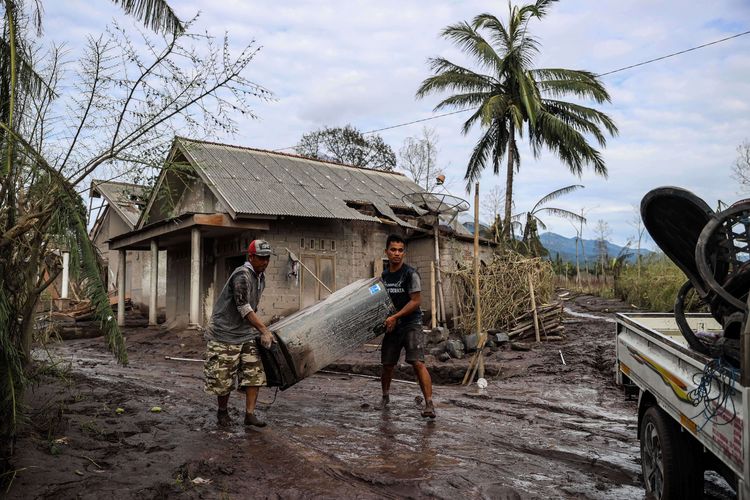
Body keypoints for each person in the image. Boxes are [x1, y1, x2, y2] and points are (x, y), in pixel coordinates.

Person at [203, 239, 276, 427]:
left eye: (267, 258)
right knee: (223, 378)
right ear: (251, 257)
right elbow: (243, 307)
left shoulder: (260, 277)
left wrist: (258, 329)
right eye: (261, 258)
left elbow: (252, 307)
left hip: (245, 333)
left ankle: (249, 414)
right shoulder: (242, 276)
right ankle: (222, 412)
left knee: (255, 373)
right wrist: (264, 330)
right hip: (224, 333)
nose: (265, 262)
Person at [380, 234, 436, 418]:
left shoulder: (411, 274)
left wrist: (395, 316)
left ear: (404, 253)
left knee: (417, 362)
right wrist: (387, 320)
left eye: (400, 250)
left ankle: (429, 404)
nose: (397, 253)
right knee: (387, 364)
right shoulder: (384, 276)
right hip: (393, 325)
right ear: (386, 252)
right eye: (393, 250)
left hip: (411, 323)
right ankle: (385, 397)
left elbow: (416, 301)